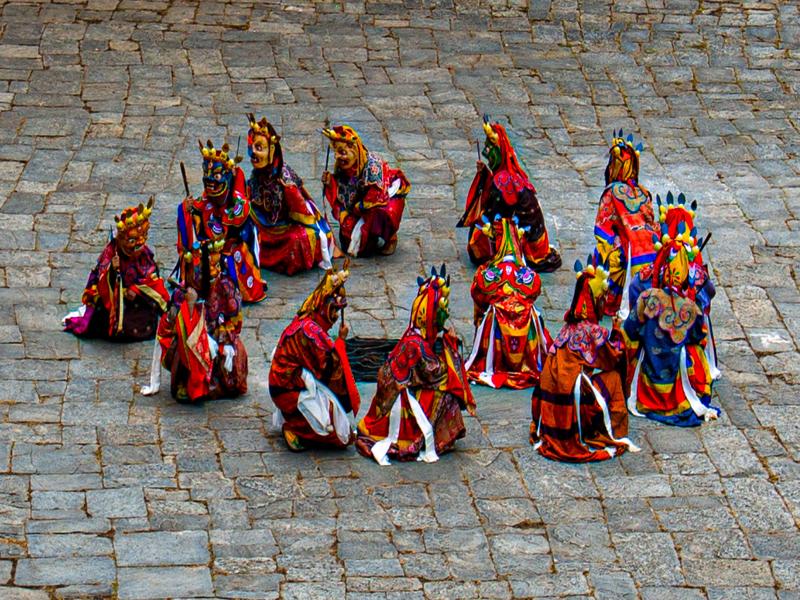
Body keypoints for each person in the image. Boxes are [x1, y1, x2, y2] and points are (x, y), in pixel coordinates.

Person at [356, 265, 475, 466]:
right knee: (447, 395)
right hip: (399, 398)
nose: (446, 316)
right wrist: (452, 348)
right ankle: (433, 438)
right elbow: (436, 373)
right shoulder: (416, 345)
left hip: (398, 390)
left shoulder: (415, 336)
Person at [624, 193, 720, 427]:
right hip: (678, 369)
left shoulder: (646, 293)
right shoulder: (692, 305)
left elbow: (630, 329)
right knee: (695, 349)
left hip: (649, 368)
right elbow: (698, 335)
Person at [530, 258, 639, 462]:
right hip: (572, 401)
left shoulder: (567, 327)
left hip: (551, 399)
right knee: (614, 378)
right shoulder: (593, 331)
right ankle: (614, 431)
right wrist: (616, 332)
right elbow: (614, 357)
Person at [142, 235, 247, 403]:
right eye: (209, 267)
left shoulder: (225, 286)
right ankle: (189, 383)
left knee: (233, 352)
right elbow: (167, 327)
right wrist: (190, 307)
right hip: (191, 346)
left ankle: (218, 382)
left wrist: (221, 336)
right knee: (183, 345)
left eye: (217, 265)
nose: (215, 272)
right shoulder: (182, 293)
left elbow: (235, 320)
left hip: (218, 339)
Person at [268, 260, 360, 451]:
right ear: (324, 307)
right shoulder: (312, 333)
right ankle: (293, 427)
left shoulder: (309, 318)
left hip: (287, 383)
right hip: (287, 389)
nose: (336, 316)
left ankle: (296, 418)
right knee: (337, 432)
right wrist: (341, 341)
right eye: (334, 310)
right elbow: (328, 369)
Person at [457, 115, 560, 272]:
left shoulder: (503, 181)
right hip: (532, 229)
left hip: (528, 235)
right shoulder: (507, 173)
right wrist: (484, 173)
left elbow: (494, 212)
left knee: (478, 234)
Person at [63, 197, 168, 341]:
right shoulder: (110, 253)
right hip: (115, 302)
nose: (139, 246)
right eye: (132, 241)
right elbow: (100, 281)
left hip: (137, 300)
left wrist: (137, 290)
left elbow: (152, 277)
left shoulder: (144, 254)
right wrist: (112, 270)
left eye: (142, 240)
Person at [465, 217, 551, 389]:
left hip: (497, 326)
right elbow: (534, 291)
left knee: (488, 313)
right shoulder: (527, 273)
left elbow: (478, 293)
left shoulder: (488, 272)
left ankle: (494, 360)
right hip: (525, 325)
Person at [245, 114, 335, 275]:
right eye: (251, 147)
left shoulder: (284, 179)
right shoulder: (256, 174)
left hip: (286, 227)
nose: (253, 153)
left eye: (259, 148)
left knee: (297, 240)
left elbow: (302, 212)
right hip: (263, 225)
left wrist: (291, 193)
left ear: (272, 150)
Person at [181, 139, 266, 303]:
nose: (209, 180)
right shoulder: (203, 204)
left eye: (216, 176)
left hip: (231, 254)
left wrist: (225, 252)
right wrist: (186, 209)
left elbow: (248, 240)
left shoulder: (239, 207)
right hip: (209, 253)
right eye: (206, 175)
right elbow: (195, 232)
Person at [592, 129, 657, 317]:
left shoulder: (611, 193)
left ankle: (610, 301)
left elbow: (603, 227)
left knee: (605, 256)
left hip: (628, 249)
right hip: (651, 248)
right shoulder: (643, 191)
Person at [321, 125, 410, 257]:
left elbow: (375, 196)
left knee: (381, 213)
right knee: (348, 239)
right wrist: (330, 183)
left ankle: (390, 237)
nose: (337, 157)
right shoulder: (343, 167)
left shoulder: (373, 166)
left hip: (379, 200)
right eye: (336, 153)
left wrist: (359, 207)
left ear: (353, 149)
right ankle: (369, 237)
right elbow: (343, 190)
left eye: (342, 152)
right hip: (358, 206)